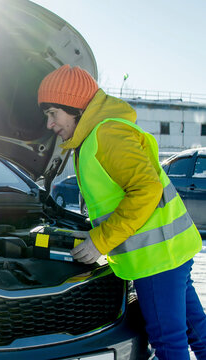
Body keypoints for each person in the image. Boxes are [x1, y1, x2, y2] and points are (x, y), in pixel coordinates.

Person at [37, 64, 206, 360]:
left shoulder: (107, 134)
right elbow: (115, 199)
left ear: (74, 107)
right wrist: (92, 232)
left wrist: (101, 240)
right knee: (197, 333)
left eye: (53, 113)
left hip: (154, 259)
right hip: (170, 250)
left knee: (169, 345)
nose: (50, 124)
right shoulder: (95, 136)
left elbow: (146, 189)